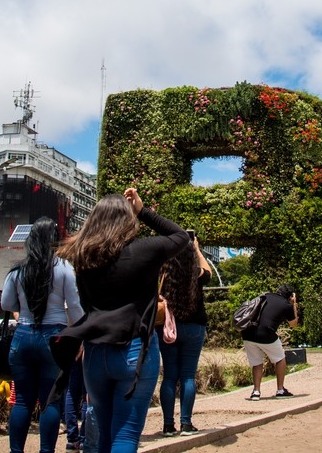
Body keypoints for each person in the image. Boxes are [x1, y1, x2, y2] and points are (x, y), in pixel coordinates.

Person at [56, 188, 189, 453]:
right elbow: (181, 237)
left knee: (102, 435)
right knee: (125, 435)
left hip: (94, 352)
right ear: (128, 220)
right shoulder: (144, 251)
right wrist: (143, 211)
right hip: (134, 350)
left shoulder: (83, 257)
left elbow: (84, 305)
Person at [1, 217, 84, 453]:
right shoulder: (63, 268)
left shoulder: (17, 270)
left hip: (24, 335)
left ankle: (16, 450)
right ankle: (46, 450)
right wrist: (79, 335)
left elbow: (7, 303)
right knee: (51, 401)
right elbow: (75, 307)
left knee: (22, 402)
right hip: (54, 339)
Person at [158, 231, 212, 437]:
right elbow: (209, 272)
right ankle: (186, 424)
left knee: (170, 376)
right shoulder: (196, 272)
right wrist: (196, 249)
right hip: (194, 327)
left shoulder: (164, 271)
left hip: (168, 327)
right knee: (188, 376)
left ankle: (168, 425)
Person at [240, 284, 298, 400]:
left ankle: (256, 392)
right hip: (266, 334)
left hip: (247, 332)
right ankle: (280, 390)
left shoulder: (265, 295)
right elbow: (294, 324)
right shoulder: (286, 305)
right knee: (280, 358)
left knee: (256, 362)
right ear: (290, 296)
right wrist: (294, 305)